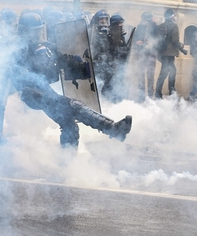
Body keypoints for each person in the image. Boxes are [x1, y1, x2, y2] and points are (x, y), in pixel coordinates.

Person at [11, 12, 132, 149]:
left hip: (45, 91)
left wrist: (78, 65)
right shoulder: (17, 51)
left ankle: (67, 160)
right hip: (32, 93)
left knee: (69, 124)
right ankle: (112, 128)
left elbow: (62, 61)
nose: (37, 35)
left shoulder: (47, 47)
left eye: (39, 31)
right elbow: (18, 76)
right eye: (34, 32)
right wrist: (35, 63)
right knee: (74, 106)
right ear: (24, 32)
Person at [155, 8, 186, 98]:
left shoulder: (161, 26)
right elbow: (175, 40)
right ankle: (168, 93)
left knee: (170, 71)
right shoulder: (174, 26)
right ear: (172, 16)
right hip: (169, 54)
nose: (175, 17)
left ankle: (167, 92)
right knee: (165, 73)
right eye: (174, 15)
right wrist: (182, 47)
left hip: (162, 53)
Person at [130, 12, 158, 101]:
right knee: (141, 75)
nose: (142, 21)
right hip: (141, 54)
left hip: (151, 54)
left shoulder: (155, 28)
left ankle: (150, 97)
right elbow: (135, 38)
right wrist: (137, 42)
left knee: (150, 76)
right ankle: (141, 97)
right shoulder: (140, 27)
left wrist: (149, 43)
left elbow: (157, 41)